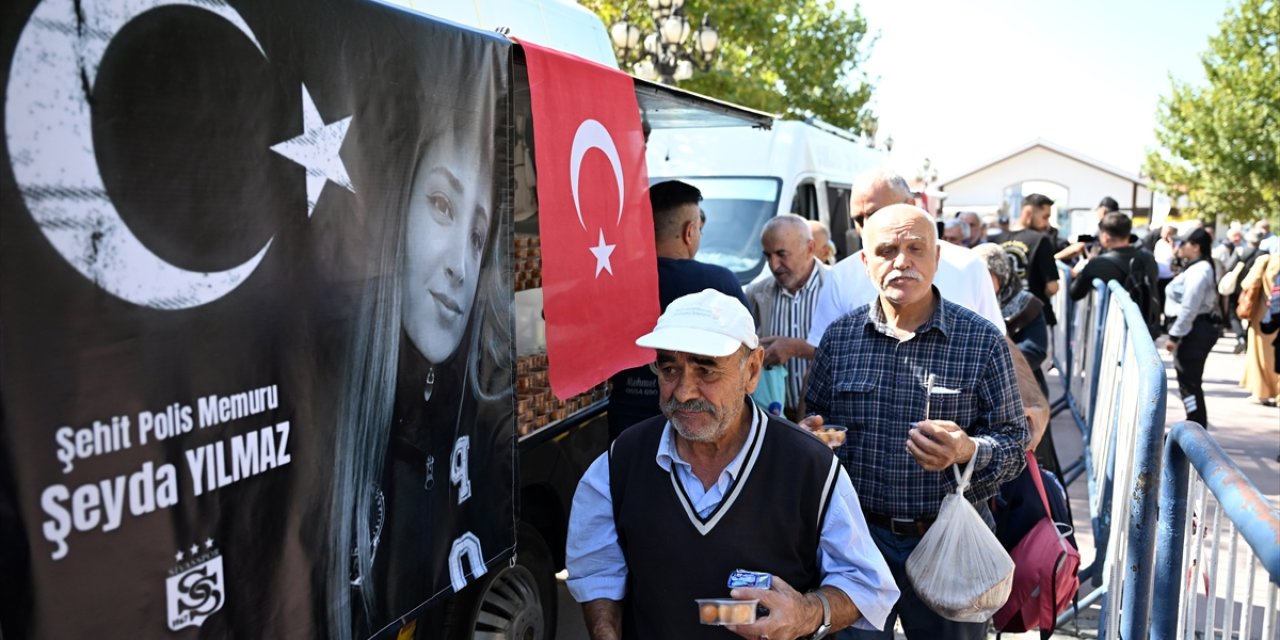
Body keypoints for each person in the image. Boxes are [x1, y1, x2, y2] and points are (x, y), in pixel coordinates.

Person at [566, 289, 899, 640]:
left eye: (706, 371)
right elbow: (597, 571)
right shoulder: (622, 461)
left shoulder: (809, 467)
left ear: (752, 370)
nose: (683, 392)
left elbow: (865, 584)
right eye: (668, 370)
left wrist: (807, 613)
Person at [328, 75, 513, 636]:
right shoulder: (325, 411)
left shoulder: (480, 419)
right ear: (395, 212)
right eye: (440, 204)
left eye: (478, 236)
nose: (461, 264)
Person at [806, 205, 1029, 640]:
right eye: (887, 250)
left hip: (949, 542)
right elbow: (822, 431)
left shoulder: (981, 341)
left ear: (937, 258)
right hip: (858, 544)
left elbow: (1015, 445)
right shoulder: (839, 339)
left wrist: (968, 450)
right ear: (866, 262)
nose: (902, 261)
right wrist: (812, 439)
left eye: (915, 248)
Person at [607, 180, 749, 439]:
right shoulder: (718, 283)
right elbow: (743, 355)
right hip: (698, 424)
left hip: (627, 422)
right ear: (690, 231)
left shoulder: (612, 280)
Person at [807, 170, 1004, 349]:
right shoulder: (841, 276)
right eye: (859, 219)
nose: (868, 226)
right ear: (865, 262)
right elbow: (823, 354)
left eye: (877, 213)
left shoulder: (969, 267)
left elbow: (996, 345)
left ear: (910, 205)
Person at [743, 214, 830, 420]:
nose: (774, 265)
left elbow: (853, 353)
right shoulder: (756, 293)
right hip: (772, 419)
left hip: (826, 419)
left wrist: (798, 348)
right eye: (768, 255)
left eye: (782, 254)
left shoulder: (836, 287)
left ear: (810, 248)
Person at [974, 244, 1050, 396]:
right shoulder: (965, 303)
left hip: (1020, 391)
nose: (979, 282)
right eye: (974, 275)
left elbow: (1035, 349)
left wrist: (993, 366)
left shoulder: (1027, 304)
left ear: (1002, 274)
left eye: (986, 275)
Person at [1163, 228, 1220, 427]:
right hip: (1193, 329)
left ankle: (1196, 425)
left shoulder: (1200, 270)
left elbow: (1189, 306)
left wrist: (1175, 336)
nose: (1180, 247)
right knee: (1189, 383)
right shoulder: (1196, 267)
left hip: (1193, 331)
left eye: (1184, 243)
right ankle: (1195, 423)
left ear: (1195, 247)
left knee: (1190, 383)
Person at [1069, 212, 1160, 327]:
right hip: (1145, 326)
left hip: (1113, 332)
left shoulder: (1098, 264)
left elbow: (1075, 293)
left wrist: (1088, 264)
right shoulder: (1148, 257)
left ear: (1105, 237)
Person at [997, 194, 1060, 325]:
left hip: (1000, 317)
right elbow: (1052, 287)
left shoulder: (995, 240)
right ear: (1028, 212)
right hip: (1035, 316)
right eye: (1045, 217)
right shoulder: (1041, 240)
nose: (1047, 223)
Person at [1239, 250, 1280, 405]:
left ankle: (1262, 392)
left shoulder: (1267, 260)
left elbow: (1248, 283)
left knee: (1261, 356)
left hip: (1267, 315)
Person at [1054, 196, 1120, 264]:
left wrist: (1055, 257)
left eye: (1098, 209)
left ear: (1103, 210)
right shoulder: (1121, 226)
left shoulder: (1100, 227)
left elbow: (1079, 246)